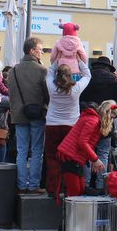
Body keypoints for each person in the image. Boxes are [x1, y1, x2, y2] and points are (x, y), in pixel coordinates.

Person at [7, 37, 49, 195]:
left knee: (22, 151)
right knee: (37, 151)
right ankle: (33, 185)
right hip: (37, 114)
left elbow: (11, 94)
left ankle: (21, 185)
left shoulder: (13, 70)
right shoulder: (41, 70)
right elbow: (47, 95)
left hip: (18, 114)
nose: (42, 52)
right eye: (40, 49)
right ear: (32, 50)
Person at [44, 61, 91, 198]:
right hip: (71, 127)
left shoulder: (52, 87)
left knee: (52, 158)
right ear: (71, 75)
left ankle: (53, 189)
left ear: (57, 75)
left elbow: (49, 73)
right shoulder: (76, 89)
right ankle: (66, 187)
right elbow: (87, 75)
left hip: (52, 124)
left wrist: (56, 60)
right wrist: (79, 60)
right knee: (69, 159)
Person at [57, 101, 117, 199]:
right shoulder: (93, 121)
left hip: (72, 157)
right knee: (75, 193)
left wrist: (92, 159)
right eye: (112, 117)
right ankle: (73, 214)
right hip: (70, 157)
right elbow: (82, 142)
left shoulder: (92, 119)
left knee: (80, 190)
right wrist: (95, 159)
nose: (112, 120)